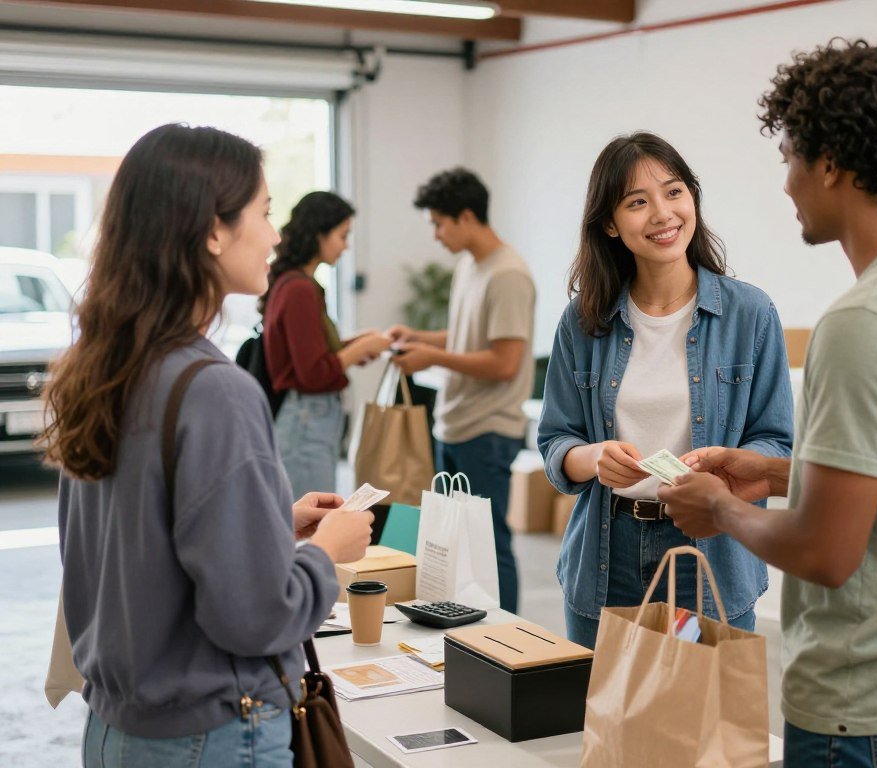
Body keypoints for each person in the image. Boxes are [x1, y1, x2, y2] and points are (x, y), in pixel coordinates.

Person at [657, 40, 877, 765]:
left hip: (866, 708)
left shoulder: (863, 321)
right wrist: (776, 472)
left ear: (830, 163)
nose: (786, 183)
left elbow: (823, 552)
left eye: (789, 156)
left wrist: (721, 509)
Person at [42, 124, 374, 767]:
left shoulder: (105, 367)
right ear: (213, 230)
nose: (277, 235)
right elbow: (256, 618)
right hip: (211, 736)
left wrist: (272, 523)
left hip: (115, 730)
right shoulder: (215, 389)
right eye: (266, 212)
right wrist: (326, 557)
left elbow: (135, 546)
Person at [537, 132, 793, 649]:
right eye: (637, 202)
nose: (662, 214)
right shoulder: (585, 320)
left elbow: (775, 441)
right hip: (608, 554)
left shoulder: (750, 314)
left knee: (699, 717)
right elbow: (555, 442)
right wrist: (593, 459)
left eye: (674, 192)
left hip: (708, 553)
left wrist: (727, 472)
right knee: (608, 715)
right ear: (610, 223)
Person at [388, 168, 535, 613]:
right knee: (455, 544)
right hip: (454, 426)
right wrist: (418, 337)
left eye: (438, 223)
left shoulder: (508, 274)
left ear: (466, 216)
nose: (435, 234)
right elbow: (467, 337)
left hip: (487, 431)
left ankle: (506, 635)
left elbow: (504, 363)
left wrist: (431, 358)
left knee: (490, 543)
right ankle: (465, 628)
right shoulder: (470, 266)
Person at [261, 191, 391, 497]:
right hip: (307, 419)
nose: (346, 246)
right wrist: (357, 350)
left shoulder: (293, 285)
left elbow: (308, 352)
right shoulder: (300, 290)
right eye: (342, 236)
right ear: (319, 234)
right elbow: (313, 372)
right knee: (315, 526)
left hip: (304, 418)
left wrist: (357, 344)